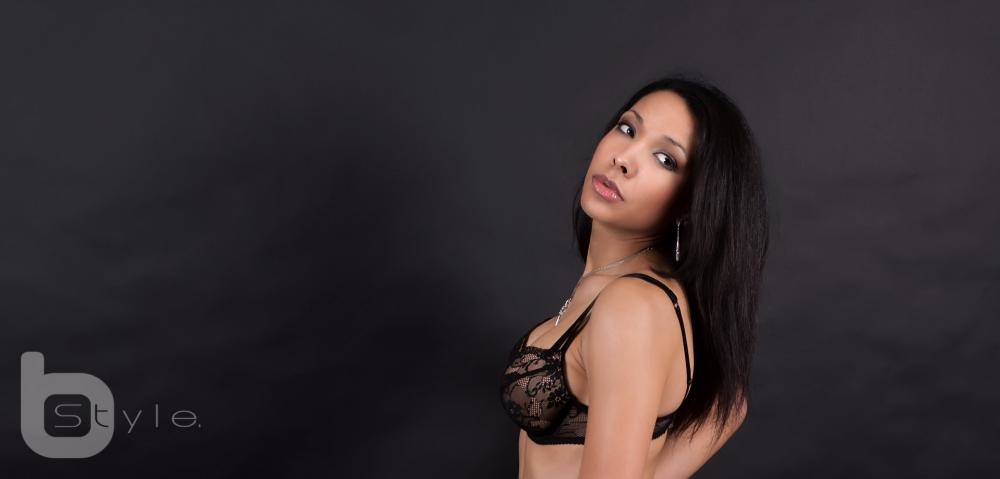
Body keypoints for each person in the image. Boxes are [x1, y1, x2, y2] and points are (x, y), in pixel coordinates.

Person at [498, 74, 770, 479]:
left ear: (690, 204)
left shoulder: (631, 307)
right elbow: (728, 406)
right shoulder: (630, 289)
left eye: (665, 159)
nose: (623, 158)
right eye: (628, 129)